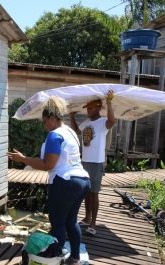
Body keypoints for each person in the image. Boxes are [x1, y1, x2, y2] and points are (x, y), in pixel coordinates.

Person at [7, 96, 90, 265]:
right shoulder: (71, 132)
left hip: (64, 182)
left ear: (52, 118)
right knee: (71, 221)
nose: (44, 126)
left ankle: (55, 260)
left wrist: (23, 159)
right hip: (82, 180)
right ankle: (75, 258)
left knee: (58, 224)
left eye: (45, 122)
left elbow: (48, 165)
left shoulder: (54, 135)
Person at [69, 90, 115, 236]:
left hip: (96, 162)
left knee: (94, 193)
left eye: (90, 109)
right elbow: (77, 131)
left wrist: (109, 102)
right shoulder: (87, 122)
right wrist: (71, 117)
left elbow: (112, 121)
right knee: (86, 192)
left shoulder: (102, 123)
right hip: (85, 161)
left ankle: (93, 222)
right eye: (87, 109)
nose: (88, 111)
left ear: (98, 108)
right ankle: (87, 217)